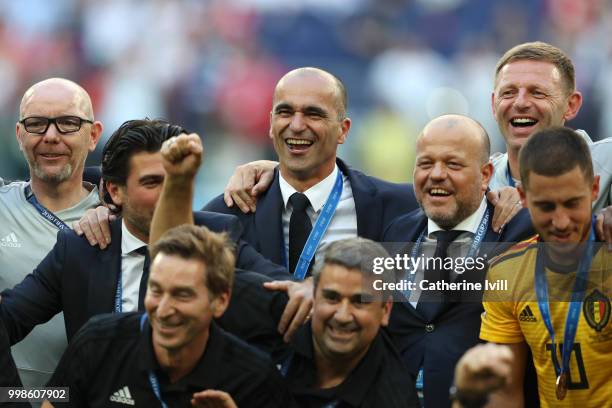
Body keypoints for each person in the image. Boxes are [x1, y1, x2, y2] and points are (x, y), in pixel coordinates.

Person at [0, 120, 289, 353]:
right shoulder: (80, 248)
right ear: (115, 191)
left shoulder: (218, 236)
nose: (170, 193)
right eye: (152, 182)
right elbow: (10, 319)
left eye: (179, 178)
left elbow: (287, 291)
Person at [203, 67, 419, 339]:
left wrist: (492, 197)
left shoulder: (399, 209)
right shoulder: (226, 215)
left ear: (343, 130)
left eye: (313, 113)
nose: (296, 124)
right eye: (285, 112)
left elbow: (460, 274)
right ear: (271, 124)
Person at [43, 224, 293, 407]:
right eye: (156, 290)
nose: (163, 310)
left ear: (220, 301)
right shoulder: (97, 342)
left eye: (182, 295)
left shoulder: (255, 379)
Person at [381, 114, 535, 407]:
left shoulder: (521, 232)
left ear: (486, 174)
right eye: (426, 163)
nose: (437, 174)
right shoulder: (397, 231)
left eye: (453, 164)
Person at [480, 127, 612, 407]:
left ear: (594, 188)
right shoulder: (505, 273)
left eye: (572, 203)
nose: (561, 222)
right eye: (546, 207)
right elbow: (504, 393)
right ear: (523, 197)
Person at [0, 78, 103, 387]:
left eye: (68, 123)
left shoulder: (121, 220)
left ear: (93, 135)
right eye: (36, 124)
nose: (51, 136)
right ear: (19, 135)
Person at [489, 41, 611, 214]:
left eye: (537, 92)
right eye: (508, 93)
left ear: (571, 105)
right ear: (494, 106)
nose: (521, 102)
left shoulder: (608, 163)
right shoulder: (477, 183)